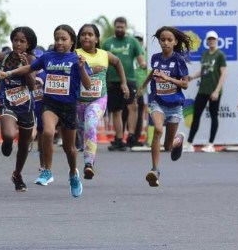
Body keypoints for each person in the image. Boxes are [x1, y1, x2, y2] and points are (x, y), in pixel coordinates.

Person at [0, 25, 91, 198]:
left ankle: (73, 173)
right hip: (50, 104)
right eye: (57, 39)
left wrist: (80, 68)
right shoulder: (48, 57)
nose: (59, 42)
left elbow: (87, 85)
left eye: (64, 39)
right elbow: (29, 68)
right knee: (47, 132)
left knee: (69, 147)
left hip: (69, 106)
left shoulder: (77, 59)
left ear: (72, 41)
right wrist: (9, 73)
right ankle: (47, 171)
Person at [0, 27, 38, 192]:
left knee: (25, 144)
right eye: (15, 40)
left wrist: (27, 67)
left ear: (28, 44)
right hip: (7, 101)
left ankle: (17, 175)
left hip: (26, 104)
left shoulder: (32, 59)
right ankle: (7, 142)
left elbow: (32, 86)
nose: (17, 44)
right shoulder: (2, 57)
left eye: (22, 41)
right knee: (9, 134)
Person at [135, 26, 192, 188]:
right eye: (162, 40)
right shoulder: (155, 58)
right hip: (157, 101)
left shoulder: (179, 60)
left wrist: (168, 79)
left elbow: (185, 84)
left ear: (175, 42)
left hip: (174, 106)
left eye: (169, 40)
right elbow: (153, 73)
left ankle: (178, 140)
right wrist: (141, 88)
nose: (165, 43)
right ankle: (154, 170)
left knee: (168, 146)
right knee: (158, 130)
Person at [75, 23, 129, 179]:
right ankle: (84, 152)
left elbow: (118, 63)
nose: (86, 36)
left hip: (98, 99)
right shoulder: (74, 54)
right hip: (78, 101)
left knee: (91, 123)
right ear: (79, 38)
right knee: (81, 129)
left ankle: (88, 164)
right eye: (83, 34)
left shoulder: (104, 55)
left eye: (90, 34)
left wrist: (123, 83)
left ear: (97, 39)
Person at [101, 17, 147, 150]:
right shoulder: (107, 43)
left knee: (133, 107)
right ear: (114, 27)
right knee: (116, 111)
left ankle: (131, 136)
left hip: (130, 80)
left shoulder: (132, 41)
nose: (120, 29)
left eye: (122, 27)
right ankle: (119, 139)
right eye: (118, 27)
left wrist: (144, 64)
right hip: (113, 81)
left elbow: (140, 59)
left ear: (126, 28)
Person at [186, 30, 228, 153]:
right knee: (196, 116)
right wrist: (192, 77)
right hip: (202, 90)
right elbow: (203, 71)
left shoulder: (220, 55)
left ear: (217, 41)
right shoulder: (204, 54)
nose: (211, 41)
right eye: (209, 39)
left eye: (213, 39)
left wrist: (217, 91)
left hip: (214, 92)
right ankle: (189, 143)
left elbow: (223, 74)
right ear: (207, 41)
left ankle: (210, 144)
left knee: (214, 116)